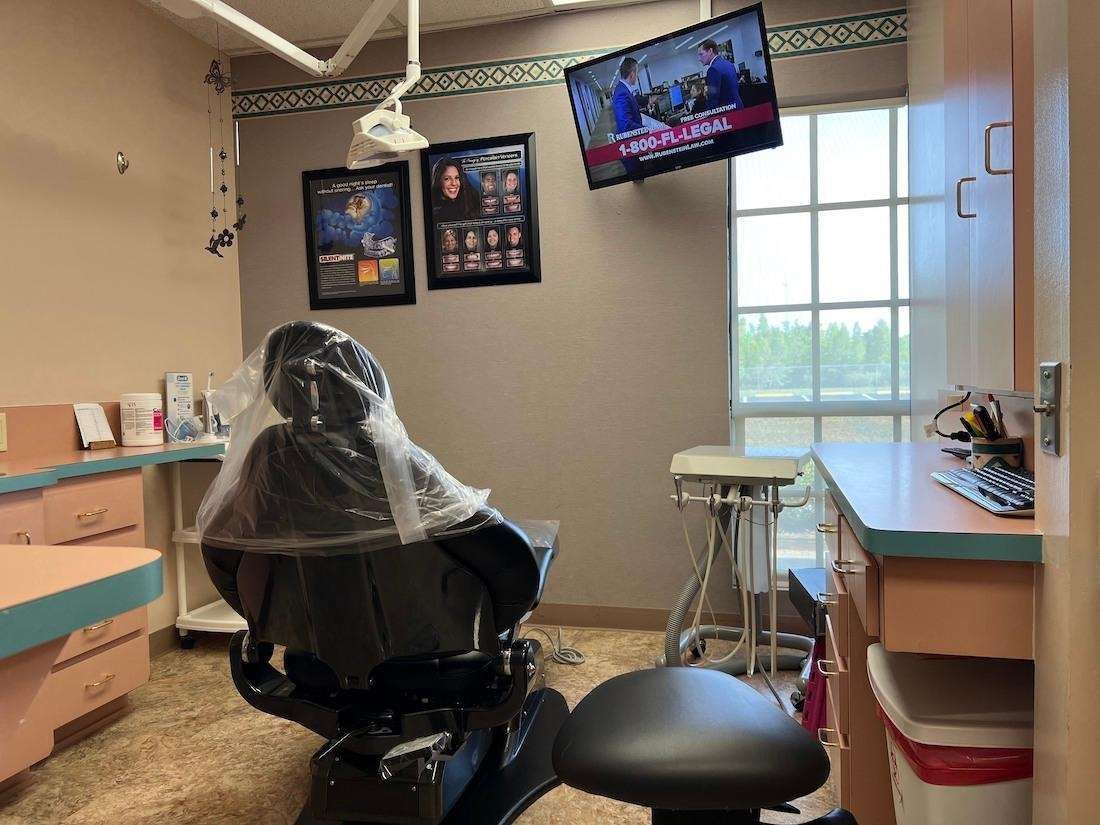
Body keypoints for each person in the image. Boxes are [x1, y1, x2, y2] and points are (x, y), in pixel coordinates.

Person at [611, 57, 645, 175]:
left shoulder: (623, 89)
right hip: (629, 147)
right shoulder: (622, 92)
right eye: (637, 72)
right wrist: (647, 130)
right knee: (638, 177)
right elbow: (626, 124)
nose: (637, 76)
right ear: (632, 74)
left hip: (630, 144)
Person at [696, 39, 743, 112]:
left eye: (701, 54)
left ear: (710, 51)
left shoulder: (713, 70)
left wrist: (707, 114)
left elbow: (713, 98)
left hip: (727, 112)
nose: (699, 59)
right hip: (739, 106)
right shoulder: (729, 64)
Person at [430, 156, 479, 222]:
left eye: (457, 178)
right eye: (447, 179)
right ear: (438, 181)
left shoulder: (469, 201)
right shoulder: (435, 213)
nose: (454, 183)